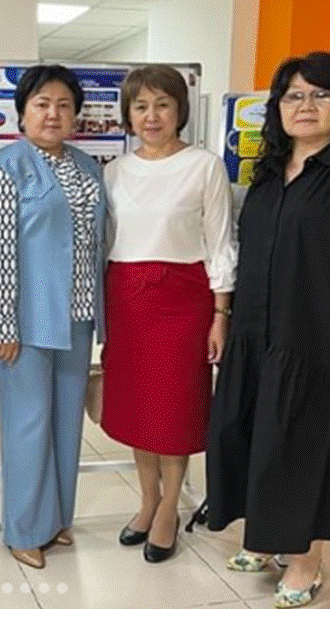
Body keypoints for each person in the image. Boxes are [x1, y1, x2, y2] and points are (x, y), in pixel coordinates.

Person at [205, 52, 330, 608]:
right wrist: (225, 319)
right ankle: (267, 538)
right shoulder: (267, 175)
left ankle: (305, 560)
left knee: (302, 448)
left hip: (315, 339)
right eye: (293, 95)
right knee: (254, 439)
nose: (306, 106)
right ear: (278, 107)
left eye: (321, 94)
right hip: (254, 336)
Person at [101, 65, 236, 563]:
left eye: (162, 104)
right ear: (128, 115)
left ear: (180, 110)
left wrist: (220, 312)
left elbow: (220, 243)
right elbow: (105, 243)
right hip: (126, 298)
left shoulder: (204, 166)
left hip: (183, 300)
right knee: (138, 407)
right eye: (140, 106)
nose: (151, 116)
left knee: (174, 409)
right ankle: (147, 500)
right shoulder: (114, 171)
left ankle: (169, 509)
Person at [0, 64, 105, 570]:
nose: (53, 114)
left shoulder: (88, 167)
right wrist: (3, 323)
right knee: (28, 425)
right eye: (42, 104)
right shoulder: (5, 168)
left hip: (76, 316)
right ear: (22, 113)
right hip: (25, 322)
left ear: (76, 115)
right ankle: (25, 528)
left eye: (64, 105)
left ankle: (56, 520)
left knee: (67, 422)